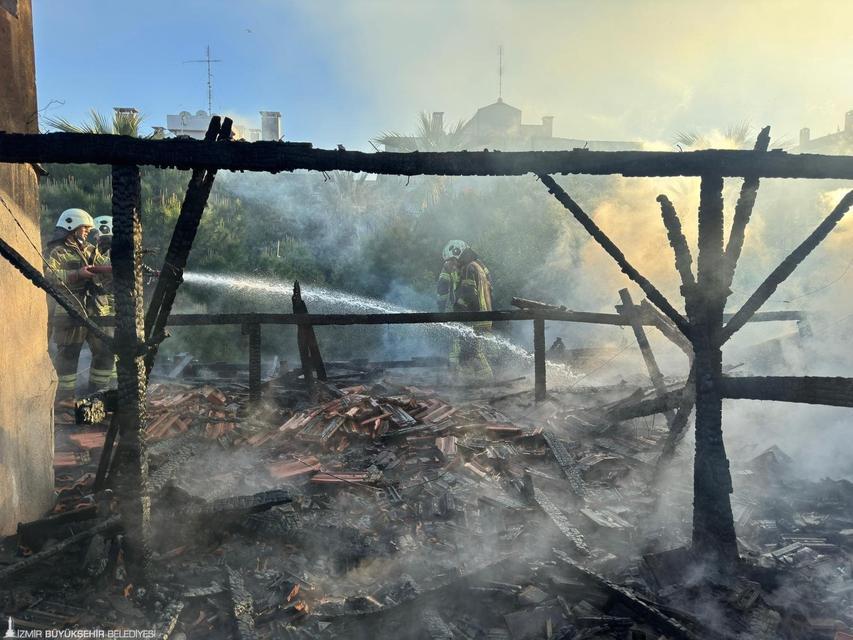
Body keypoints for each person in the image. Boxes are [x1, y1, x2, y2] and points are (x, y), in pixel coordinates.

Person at [45, 208, 115, 404]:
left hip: (97, 310)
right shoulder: (56, 252)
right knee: (68, 356)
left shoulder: (91, 250)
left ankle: (97, 395)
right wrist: (77, 274)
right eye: (84, 228)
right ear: (71, 226)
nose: (87, 231)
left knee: (106, 352)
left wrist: (117, 270)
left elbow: (105, 270)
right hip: (70, 311)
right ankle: (64, 401)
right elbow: (48, 277)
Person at [438, 239, 494, 382]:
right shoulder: (479, 266)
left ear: (458, 253)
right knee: (471, 352)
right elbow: (489, 289)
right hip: (484, 315)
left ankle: (485, 382)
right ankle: (472, 381)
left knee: (473, 352)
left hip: (475, 317)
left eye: (452, 260)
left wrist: (458, 310)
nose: (453, 265)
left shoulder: (469, 267)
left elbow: (469, 294)